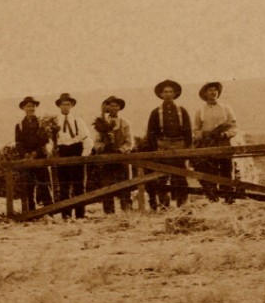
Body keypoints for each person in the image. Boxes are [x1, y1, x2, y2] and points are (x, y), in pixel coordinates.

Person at [145, 79, 193, 209]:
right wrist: (154, 151)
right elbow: (151, 133)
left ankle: (182, 206)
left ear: (175, 94)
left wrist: (189, 149)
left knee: (180, 177)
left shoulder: (182, 111)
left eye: (170, 92)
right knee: (162, 177)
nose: (168, 94)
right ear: (161, 94)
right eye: (165, 92)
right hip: (163, 148)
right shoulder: (156, 112)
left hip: (179, 147)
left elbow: (189, 131)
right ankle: (164, 206)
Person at [193, 81, 237, 203]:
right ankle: (213, 198)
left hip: (224, 143)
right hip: (208, 145)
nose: (213, 92)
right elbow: (196, 128)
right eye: (210, 90)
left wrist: (225, 134)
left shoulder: (227, 109)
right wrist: (200, 135)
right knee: (209, 171)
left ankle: (229, 198)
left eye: (215, 90)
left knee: (226, 170)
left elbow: (234, 127)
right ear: (205, 94)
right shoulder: (200, 111)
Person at [92, 96, 134, 214]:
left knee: (125, 185)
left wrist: (121, 150)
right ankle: (109, 213)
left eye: (116, 105)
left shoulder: (125, 123)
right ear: (107, 107)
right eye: (111, 105)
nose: (114, 108)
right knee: (107, 186)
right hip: (107, 160)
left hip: (122, 159)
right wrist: (104, 147)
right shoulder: (101, 123)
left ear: (120, 108)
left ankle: (127, 211)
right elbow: (97, 143)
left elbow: (130, 142)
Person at [52, 92, 89, 220]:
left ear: (72, 105)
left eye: (68, 104)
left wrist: (84, 155)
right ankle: (66, 215)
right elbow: (50, 140)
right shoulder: (54, 122)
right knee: (64, 186)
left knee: (79, 185)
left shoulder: (78, 120)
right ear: (59, 106)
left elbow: (87, 138)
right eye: (63, 104)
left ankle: (80, 214)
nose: (66, 107)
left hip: (77, 151)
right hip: (62, 152)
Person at [11, 96, 50, 212]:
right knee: (28, 186)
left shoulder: (42, 122)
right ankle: (30, 212)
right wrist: (25, 154)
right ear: (23, 108)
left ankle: (50, 210)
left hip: (40, 158)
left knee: (44, 184)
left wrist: (35, 153)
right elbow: (18, 142)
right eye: (28, 106)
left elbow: (44, 140)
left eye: (33, 106)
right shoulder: (20, 124)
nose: (31, 108)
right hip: (27, 159)